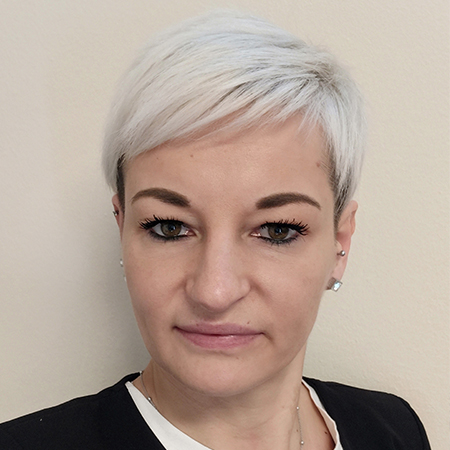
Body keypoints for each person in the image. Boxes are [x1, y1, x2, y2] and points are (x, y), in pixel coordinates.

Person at [0, 10, 431, 450]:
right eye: (169, 228)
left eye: (277, 231)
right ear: (122, 229)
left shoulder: (393, 429)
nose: (214, 291)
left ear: (340, 245)